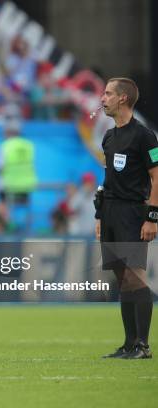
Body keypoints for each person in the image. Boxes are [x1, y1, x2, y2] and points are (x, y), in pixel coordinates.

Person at [96, 78, 156, 359]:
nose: (102, 98)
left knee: (135, 276)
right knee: (122, 279)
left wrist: (152, 218)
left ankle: (143, 345)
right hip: (110, 212)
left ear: (123, 99)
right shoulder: (109, 136)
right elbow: (107, 179)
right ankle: (129, 343)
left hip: (133, 213)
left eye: (108, 93)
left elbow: (157, 178)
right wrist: (99, 216)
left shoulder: (145, 136)